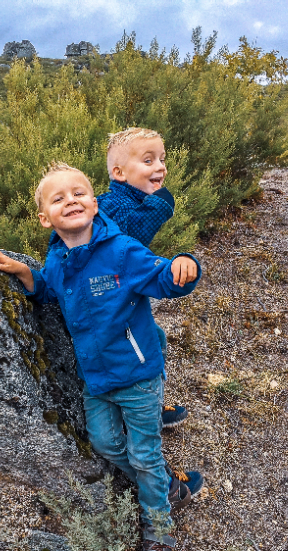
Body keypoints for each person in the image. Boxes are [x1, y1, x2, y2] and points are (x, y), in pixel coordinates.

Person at [0, 162, 204, 551]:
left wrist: (185, 266)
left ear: (95, 202)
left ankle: (159, 531)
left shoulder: (121, 251)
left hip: (138, 376)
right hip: (96, 380)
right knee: (104, 443)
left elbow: (163, 277)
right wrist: (25, 274)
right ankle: (167, 486)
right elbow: (51, 290)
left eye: (80, 193)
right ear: (43, 217)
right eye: (59, 198)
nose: (71, 200)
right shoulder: (57, 258)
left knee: (143, 454)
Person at [48, 127, 188, 430]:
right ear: (118, 172)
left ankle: (149, 402)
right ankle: (142, 407)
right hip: (100, 295)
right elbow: (149, 219)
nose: (160, 167)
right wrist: (165, 202)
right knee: (141, 342)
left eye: (162, 159)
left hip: (115, 288)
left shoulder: (121, 200)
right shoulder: (118, 206)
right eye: (148, 160)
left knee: (154, 338)